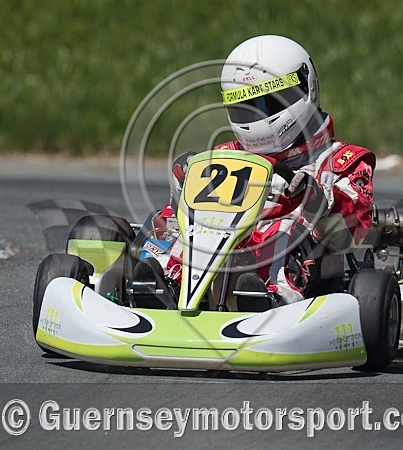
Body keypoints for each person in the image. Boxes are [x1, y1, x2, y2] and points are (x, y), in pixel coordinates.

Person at [143, 34, 376, 305]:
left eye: (270, 103)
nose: (258, 117)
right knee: (186, 226)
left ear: (305, 89)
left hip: (306, 266)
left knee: (281, 230)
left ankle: (271, 301)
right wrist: (184, 184)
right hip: (223, 258)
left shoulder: (342, 160)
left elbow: (353, 229)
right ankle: (163, 287)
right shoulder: (224, 155)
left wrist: (316, 198)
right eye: (246, 108)